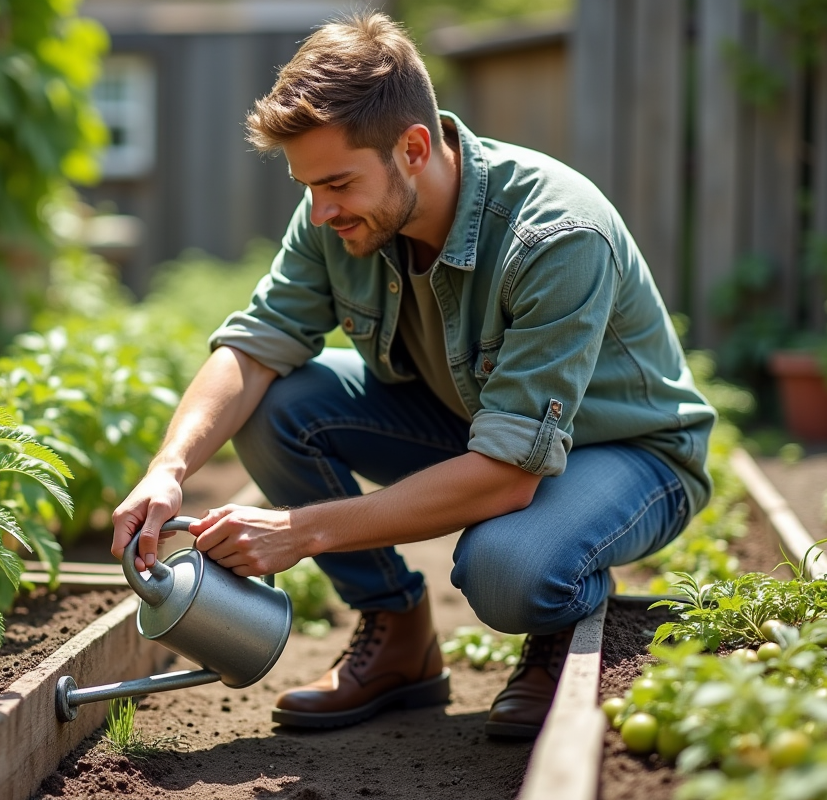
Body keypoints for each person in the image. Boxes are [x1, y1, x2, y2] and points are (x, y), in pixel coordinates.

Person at [110, 12, 715, 737]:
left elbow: (507, 475)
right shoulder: (334, 215)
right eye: (308, 186)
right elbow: (253, 347)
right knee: (281, 406)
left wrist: (301, 531)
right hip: (476, 424)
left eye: (337, 183)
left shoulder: (555, 235)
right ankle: (398, 634)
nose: (321, 209)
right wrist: (167, 470)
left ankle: (561, 622)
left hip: (628, 453)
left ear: (414, 147)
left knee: (507, 569)